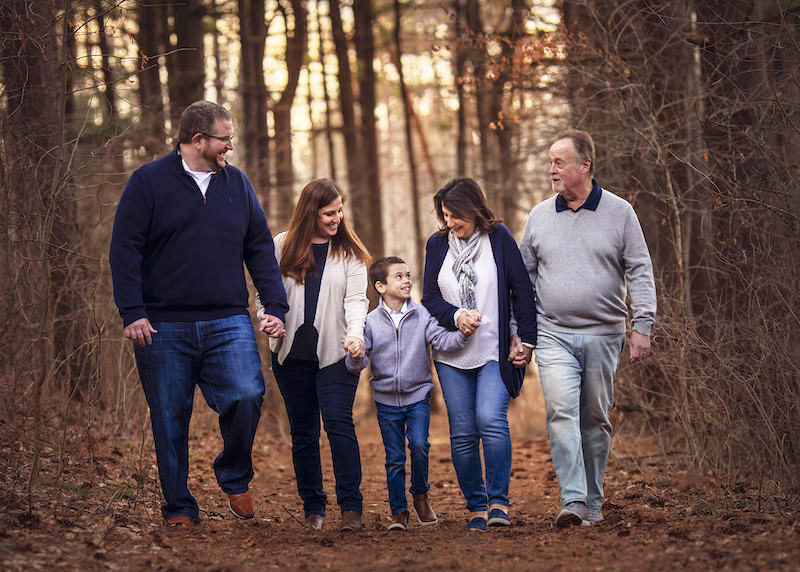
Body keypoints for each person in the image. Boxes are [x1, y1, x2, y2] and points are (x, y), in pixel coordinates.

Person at [109, 100, 288, 527]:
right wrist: (132, 311)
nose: (230, 146)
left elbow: (260, 248)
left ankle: (234, 476)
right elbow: (124, 250)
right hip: (162, 325)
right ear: (198, 140)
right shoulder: (148, 182)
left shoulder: (237, 184)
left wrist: (275, 305)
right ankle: (179, 507)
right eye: (225, 139)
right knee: (170, 417)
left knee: (247, 394)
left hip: (228, 319)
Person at [518, 129, 656, 528]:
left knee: (594, 419)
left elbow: (640, 270)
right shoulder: (540, 215)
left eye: (559, 162)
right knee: (561, 412)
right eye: (549, 162)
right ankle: (573, 500)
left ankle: (593, 503)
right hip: (553, 333)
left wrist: (642, 324)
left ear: (585, 165)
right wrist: (521, 331)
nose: (551, 170)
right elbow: (523, 280)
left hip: (604, 334)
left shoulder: (620, 212)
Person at [421, 178, 537, 532]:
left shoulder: (498, 238)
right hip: (451, 354)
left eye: (457, 215)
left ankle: (499, 501)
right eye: (445, 215)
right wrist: (456, 315)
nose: (451, 222)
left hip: (492, 350)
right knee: (462, 433)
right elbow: (430, 298)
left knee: (490, 418)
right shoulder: (438, 244)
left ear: (474, 210)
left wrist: (526, 340)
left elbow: (522, 290)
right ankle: (476, 504)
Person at [257, 178, 370, 532]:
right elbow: (265, 293)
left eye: (339, 211)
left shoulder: (349, 254)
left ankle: (351, 507)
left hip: (337, 354)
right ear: (310, 212)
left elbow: (356, 302)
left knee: (338, 423)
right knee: (304, 432)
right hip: (291, 357)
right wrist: (269, 317)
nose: (337, 218)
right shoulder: (281, 246)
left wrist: (355, 336)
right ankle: (313, 508)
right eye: (329, 213)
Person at [346, 256, 467, 531]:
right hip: (386, 401)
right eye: (398, 276)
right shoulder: (371, 321)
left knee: (420, 446)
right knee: (394, 458)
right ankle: (398, 511)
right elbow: (359, 360)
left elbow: (442, 340)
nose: (407, 281)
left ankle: (421, 495)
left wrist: (463, 334)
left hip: (418, 397)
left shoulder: (422, 314)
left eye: (408, 275)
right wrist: (355, 354)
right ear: (380, 286)